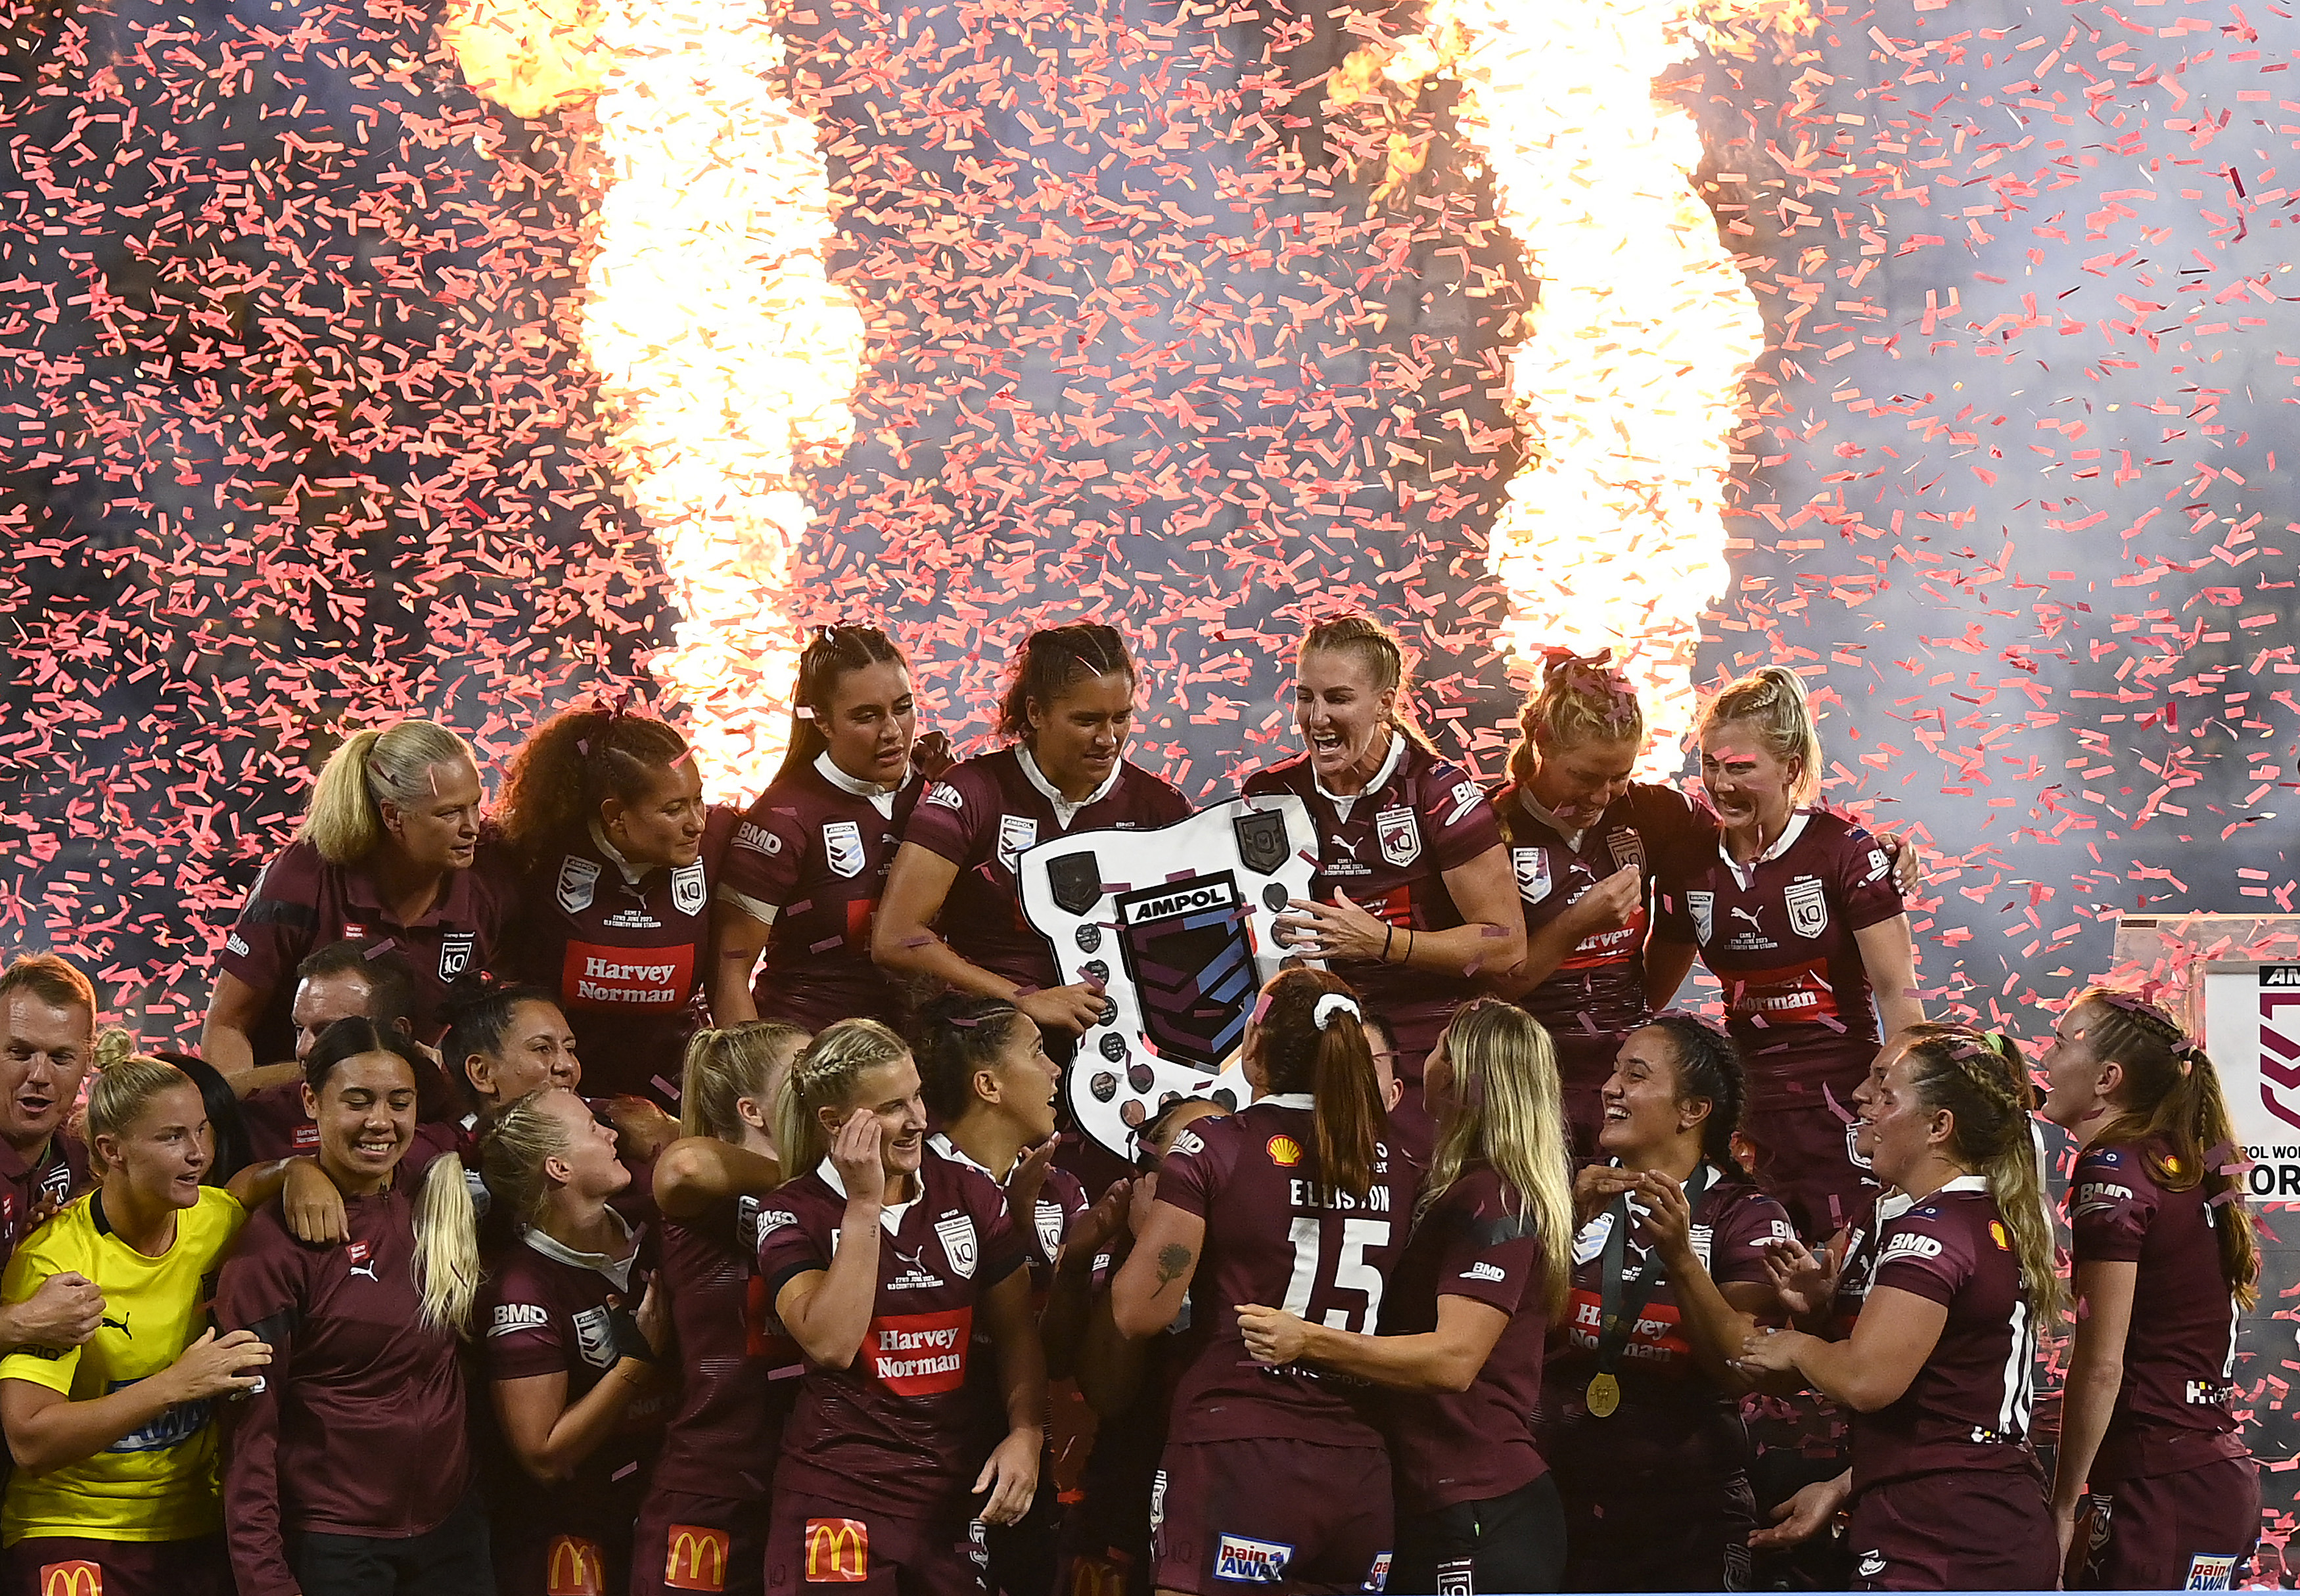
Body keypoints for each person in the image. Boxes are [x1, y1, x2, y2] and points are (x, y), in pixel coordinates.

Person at [1235, 999, 1575, 1596]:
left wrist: (1308, 1339)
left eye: (1442, 1046)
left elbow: (1453, 1360)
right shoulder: (1450, 1186)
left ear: (1470, 1074)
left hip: (1480, 1504)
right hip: (1431, 1497)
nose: (1427, 1059)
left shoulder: (1494, 1198)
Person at [1732, 1023, 2062, 1591]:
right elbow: (1944, 1405)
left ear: (1939, 1126)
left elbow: (1867, 1379)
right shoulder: (1971, 1214)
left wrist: (1797, 1344)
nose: (1867, 1107)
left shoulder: (1932, 1229)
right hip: (1964, 1515)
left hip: (1947, 1534)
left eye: (1889, 1096)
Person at [1110, 969, 1408, 1596]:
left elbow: (1139, 1313)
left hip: (1239, 1453)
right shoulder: (1401, 1162)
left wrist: (1146, 1233)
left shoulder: (1216, 1143)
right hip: (1360, 1466)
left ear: (1255, 1049)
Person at [756, 1019, 1047, 1596]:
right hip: (838, 1491)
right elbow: (832, 1343)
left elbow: (1017, 1333)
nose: (918, 1118)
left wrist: (1027, 1433)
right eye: (892, 1106)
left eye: (916, 1095)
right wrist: (863, 1204)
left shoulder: (970, 1192)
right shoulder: (792, 1213)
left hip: (952, 1500)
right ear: (836, 1124)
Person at [217, 1017, 490, 1596]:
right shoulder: (271, 1249)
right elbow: (248, 1436)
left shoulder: (430, 1177)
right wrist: (265, 1581)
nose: (381, 1122)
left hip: (452, 1534)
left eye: (400, 1101)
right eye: (358, 1101)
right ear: (312, 1101)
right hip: (333, 1545)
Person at [1650, 666, 1923, 1238]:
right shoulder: (1688, 861)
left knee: (1842, 1272)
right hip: (1743, 1112)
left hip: (1843, 1106)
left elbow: (1900, 995)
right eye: (1710, 765)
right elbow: (1650, 993)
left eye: (1741, 768)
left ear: (1791, 768)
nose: (1721, 784)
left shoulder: (1845, 852)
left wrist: (1903, 1106)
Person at [1242, 614, 1525, 1152]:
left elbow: (1507, 945)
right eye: (1305, 697)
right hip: (1313, 1052)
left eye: (1339, 698)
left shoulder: (1438, 794)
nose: (1317, 718)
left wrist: (1382, 942)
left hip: (1424, 1053)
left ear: (1385, 703)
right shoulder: (1270, 793)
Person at [0, 1042, 273, 1596]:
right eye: (171, 1137)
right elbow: (30, 1439)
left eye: (201, 1130)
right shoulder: (55, 1260)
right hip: (73, 1527)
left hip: (196, 1525)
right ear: (111, 1149)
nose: (198, 1153)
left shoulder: (216, 1219)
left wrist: (300, 1172)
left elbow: (249, 1187)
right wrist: (174, 1385)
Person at [1536, 1013, 1791, 1591]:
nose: (1610, 1087)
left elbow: (1737, 1366)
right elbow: (1521, 1333)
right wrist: (1564, 1223)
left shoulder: (1745, 1215)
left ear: (1693, 1110)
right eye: (1613, 1071)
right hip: (1557, 1494)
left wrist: (1679, 1257)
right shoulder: (1567, 1192)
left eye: (1636, 1075)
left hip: (1688, 1514)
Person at [875, 624, 1191, 1045]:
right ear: (1036, 713)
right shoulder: (973, 792)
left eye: (1122, 717)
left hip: (1125, 1043)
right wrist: (1025, 998)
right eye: (1086, 720)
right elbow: (895, 938)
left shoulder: (1162, 809)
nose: (1108, 738)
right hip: (990, 1040)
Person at [2040, 990, 2261, 1591]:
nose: (2047, 1061)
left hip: (2164, 1487)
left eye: (2060, 1045)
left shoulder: (2113, 1166)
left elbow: (2101, 1363)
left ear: (2107, 1078)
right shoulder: (2176, 1159)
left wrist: (2061, 1508)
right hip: (2204, 1478)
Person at [1484, 653, 1717, 1149]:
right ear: (1542, 741)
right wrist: (1576, 924)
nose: (1604, 794)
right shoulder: (1486, 828)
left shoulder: (1655, 812)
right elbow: (1485, 989)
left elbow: (1759, 847)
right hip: (1522, 1076)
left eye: (1619, 775)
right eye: (1586, 776)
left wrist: (1876, 852)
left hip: (1624, 1078)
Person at [204, 719, 516, 1072]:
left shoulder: (493, 871)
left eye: (475, 804)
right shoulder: (303, 876)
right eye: (449, 813)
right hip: (294, 1102)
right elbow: (227, 1024)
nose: (472, 826)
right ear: (393, 816)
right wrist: (250, 1116)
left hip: (412, 1106)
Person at [915, 995, 1097, 1596]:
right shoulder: (910, 1182)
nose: (1054, 1071)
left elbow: (1065, 1348)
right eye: (1039, 1052)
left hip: (1031, 1460)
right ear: (988, 1084)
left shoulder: (1063, 1189)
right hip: (926, 1464)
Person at [632, 1021, 810, 1596]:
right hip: (712, 1485)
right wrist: (819, 1177)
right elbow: (684, 1165)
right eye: (806, 1075)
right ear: (754, 1111)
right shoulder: (703, 1188)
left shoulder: (852, 1201)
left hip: (818, 1484)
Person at [476, 1087, 672, 1596]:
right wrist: (634, 1364)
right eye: (593, 1126)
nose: (612, 1133)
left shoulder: (655, 1210)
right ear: (558, 1168)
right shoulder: (523, 1288)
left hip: (670, 1494)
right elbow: (543, 1456)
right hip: (575, 1520)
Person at [497, 704, 738, 1104]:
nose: (696, 822)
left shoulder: (722, 843)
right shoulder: (536, 855)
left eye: (698, 800)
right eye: (673, 809)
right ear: (615, 815)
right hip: (558, 1093)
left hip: (677, 1092)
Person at [714, 626, 925, 1033]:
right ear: (824, 722)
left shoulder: (940, 792)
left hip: (924, 1051)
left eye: (903, 707)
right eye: (866, 716)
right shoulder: (782, 817)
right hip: (813, 1051)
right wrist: (761, 1080)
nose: (892, 731)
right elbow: (730, 972)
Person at [1057, 1099, 1227, 1596]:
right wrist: (1147, 1244)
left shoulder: (1256, 1262)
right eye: (1187, 1159)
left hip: (1222, 1503)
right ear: (1146, 1178)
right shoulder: (1132, 1254)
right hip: (1123, 1507)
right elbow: (1107, 1392)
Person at [231, 940, 435, 1163]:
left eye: (329, 1031)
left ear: (398, 1032)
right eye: (300, 1029)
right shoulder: (256, 1121)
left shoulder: (444, 1109)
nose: (303, 1049)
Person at [0, 957, 98, 1344]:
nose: (39, 1076)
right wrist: (24, 1323)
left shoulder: (87, 1146)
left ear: (88, 1062)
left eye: (60, 1058)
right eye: (20, 1053)